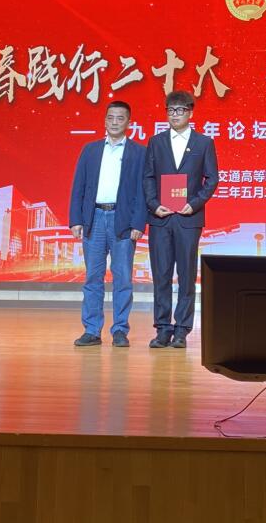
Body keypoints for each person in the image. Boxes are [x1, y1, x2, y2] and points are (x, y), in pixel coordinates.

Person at [68, 101, 148, 348]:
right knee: (93, 277)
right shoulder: (90, 150)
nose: (115, 122)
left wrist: (138, 223)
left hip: (122, 220)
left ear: (129, 123)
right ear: (104, 120)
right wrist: (76, 219)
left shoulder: (139, 152)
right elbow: (79, 186)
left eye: (120, 118)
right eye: (111, 117)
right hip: (94, 219)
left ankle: (120, 330)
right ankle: (92, 330)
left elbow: (143, 191)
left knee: (123, 278)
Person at [143, 90, 219, 349]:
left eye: (180, 110)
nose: (175, 115)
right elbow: (148, 177)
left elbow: (212, 179)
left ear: (190, 113)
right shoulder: (156, 142)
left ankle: (182, 330)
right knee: (161, 275)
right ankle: (162, 328)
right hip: (161, 218)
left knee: (186, 275)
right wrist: (154, 205)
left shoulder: (203, 143)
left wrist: (194, 203)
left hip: (188, 218)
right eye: (170, 110)